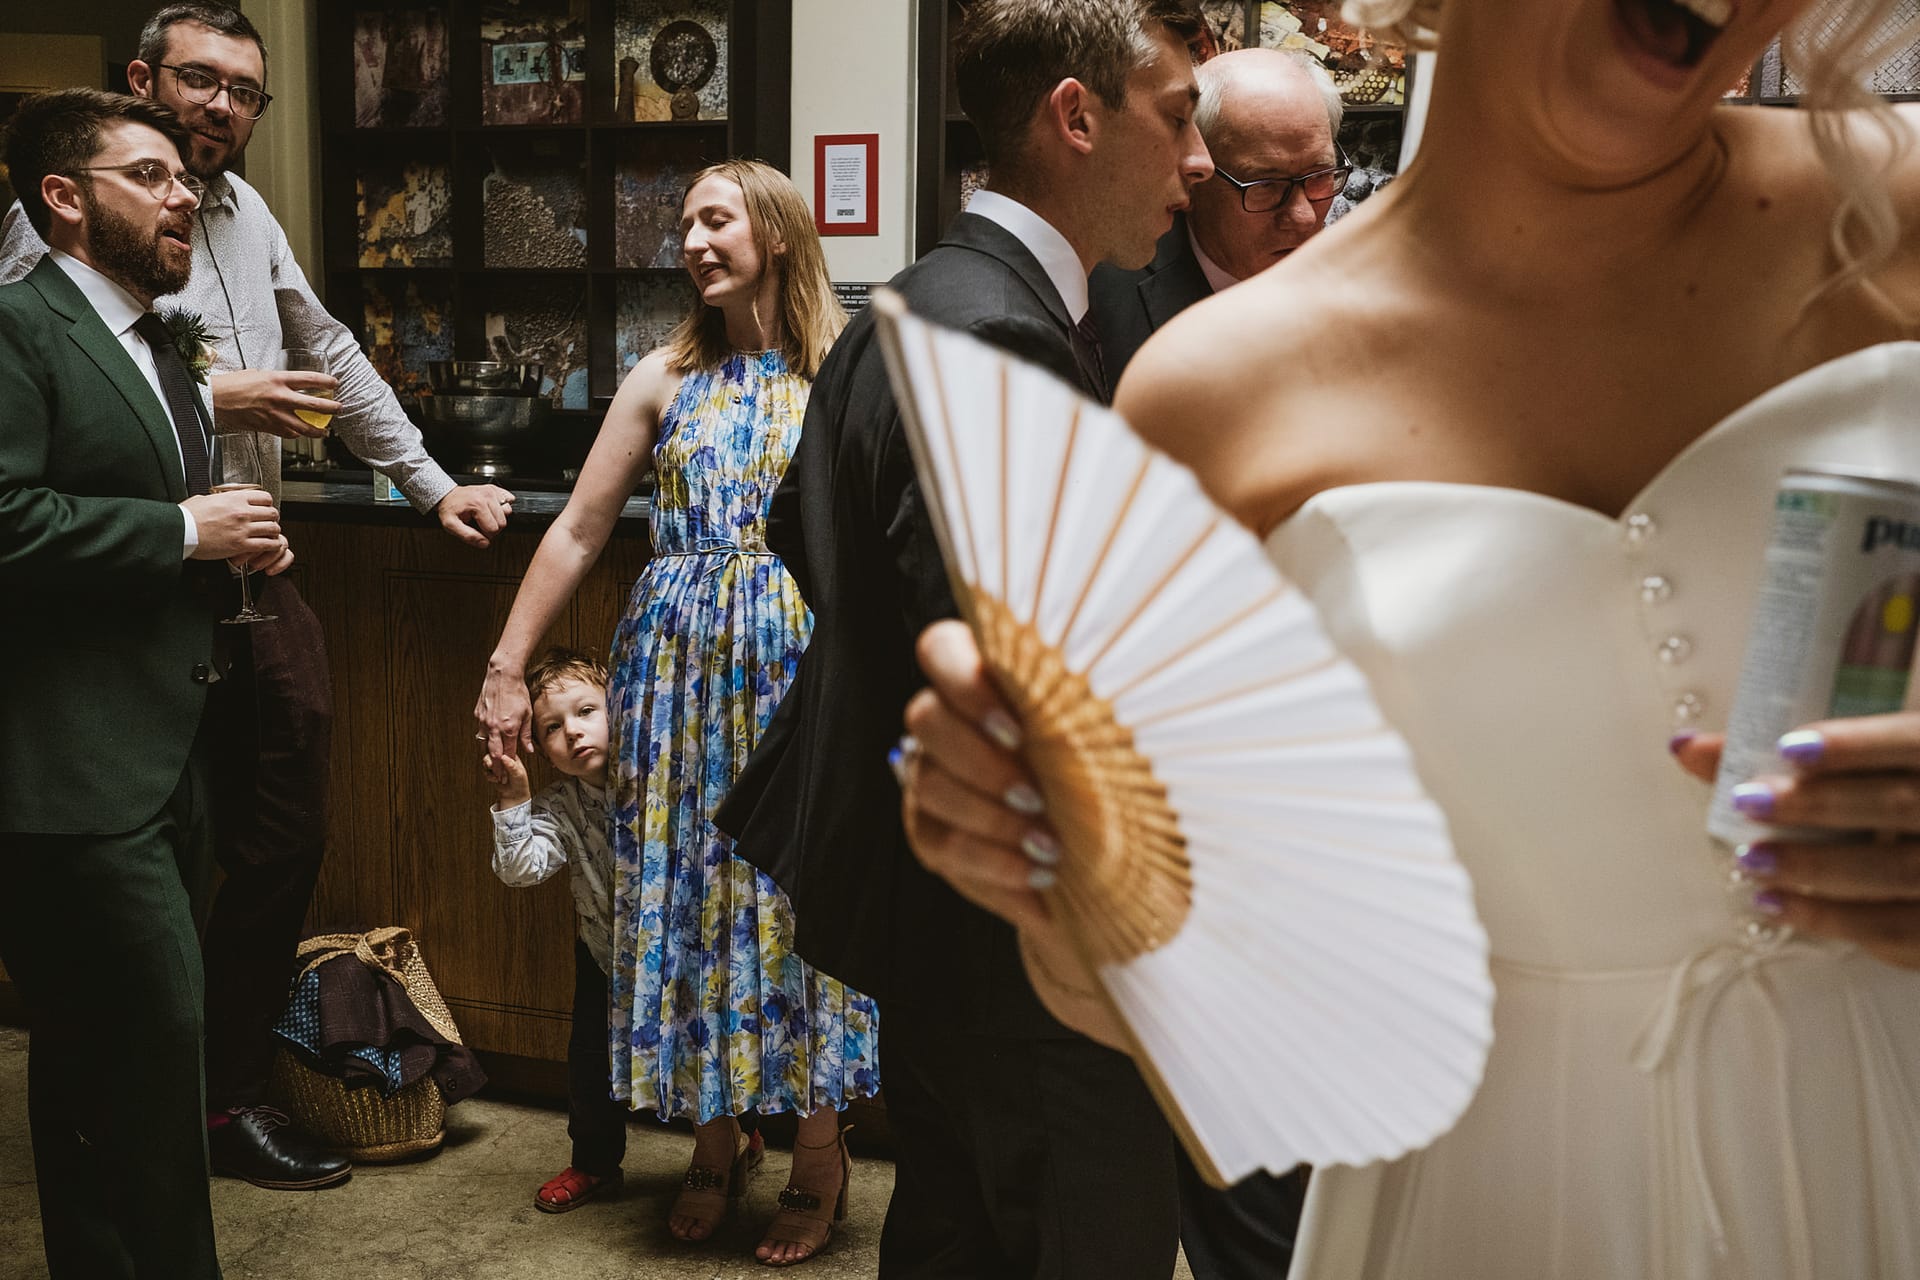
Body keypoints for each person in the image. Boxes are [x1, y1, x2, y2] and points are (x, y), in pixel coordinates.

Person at [896, 0, 1920, 1276]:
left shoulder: (1896, 217)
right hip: (1487, 1182)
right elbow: (1181, 993)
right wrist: (1040, 869)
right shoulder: (1214, 395)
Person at [712, 3, 1212, 1275]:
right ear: (1077, 116)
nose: (1196, 162)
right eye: (1181, 115)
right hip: (1024, 943)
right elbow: (1020, 685)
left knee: (953, 1227)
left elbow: (797, 523)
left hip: (929, 913)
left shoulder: (910, 301)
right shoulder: (1001, 335)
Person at [0, 2, 517, 1192]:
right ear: (143, 78)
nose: (225, 107)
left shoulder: (239, 212)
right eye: (200, 82)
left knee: (284, 829)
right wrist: (204, 399)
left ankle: (222, 1093)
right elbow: (69, 371)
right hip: (129, 589)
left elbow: (325, 350)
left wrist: (431, 483)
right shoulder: (56, 219)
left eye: (246, 92)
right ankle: (141, 1097)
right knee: (140, 843)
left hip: (256, 565)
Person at [473, 158, 877, 1268]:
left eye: (716, 218)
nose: (693, 239)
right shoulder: (662, 375)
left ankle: (817, 1152)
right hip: (672, 680)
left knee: (795, 904)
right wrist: (508, 665)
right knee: (687, 896)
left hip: (797, 667)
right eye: (684, 222)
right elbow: (576, 531)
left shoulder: (843, 368)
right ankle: (710, 1143)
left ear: (780, 234)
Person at [0, 87, 289, 1279]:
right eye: (153, 176)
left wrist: (230, 541)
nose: (186, 198)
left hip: (169, 751)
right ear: (66, 199)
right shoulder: (18, 330)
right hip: (73, 771)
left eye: (187, 179)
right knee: (154, 1060)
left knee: (92, 1062)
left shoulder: (153, 339)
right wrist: (180, 530)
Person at [1088, 43, 1345, 1280]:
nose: (1303, 215)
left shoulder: (1358, 300)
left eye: (1324, 182)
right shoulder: (1108, 312)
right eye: (1265, 188)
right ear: (1197, 170)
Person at [483, 647, 648, 1215]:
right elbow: (520, 869)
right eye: (553, 727)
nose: (574, 733)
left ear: (618, 710)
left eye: (586, 712)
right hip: (601, 954)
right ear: (537, 745)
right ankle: (595, 1163)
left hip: (674, 953)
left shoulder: (658, 781)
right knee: (589, 1064)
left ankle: (735, 1142)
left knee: (698, 1050)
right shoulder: (559, 805)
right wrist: (513, 798)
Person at [1091, 46, 1344, 373]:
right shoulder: (1101, 301)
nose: (1304, 216)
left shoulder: (1366, 285)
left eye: (1320, 176)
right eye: (1266, 185)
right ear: (1193, 179)